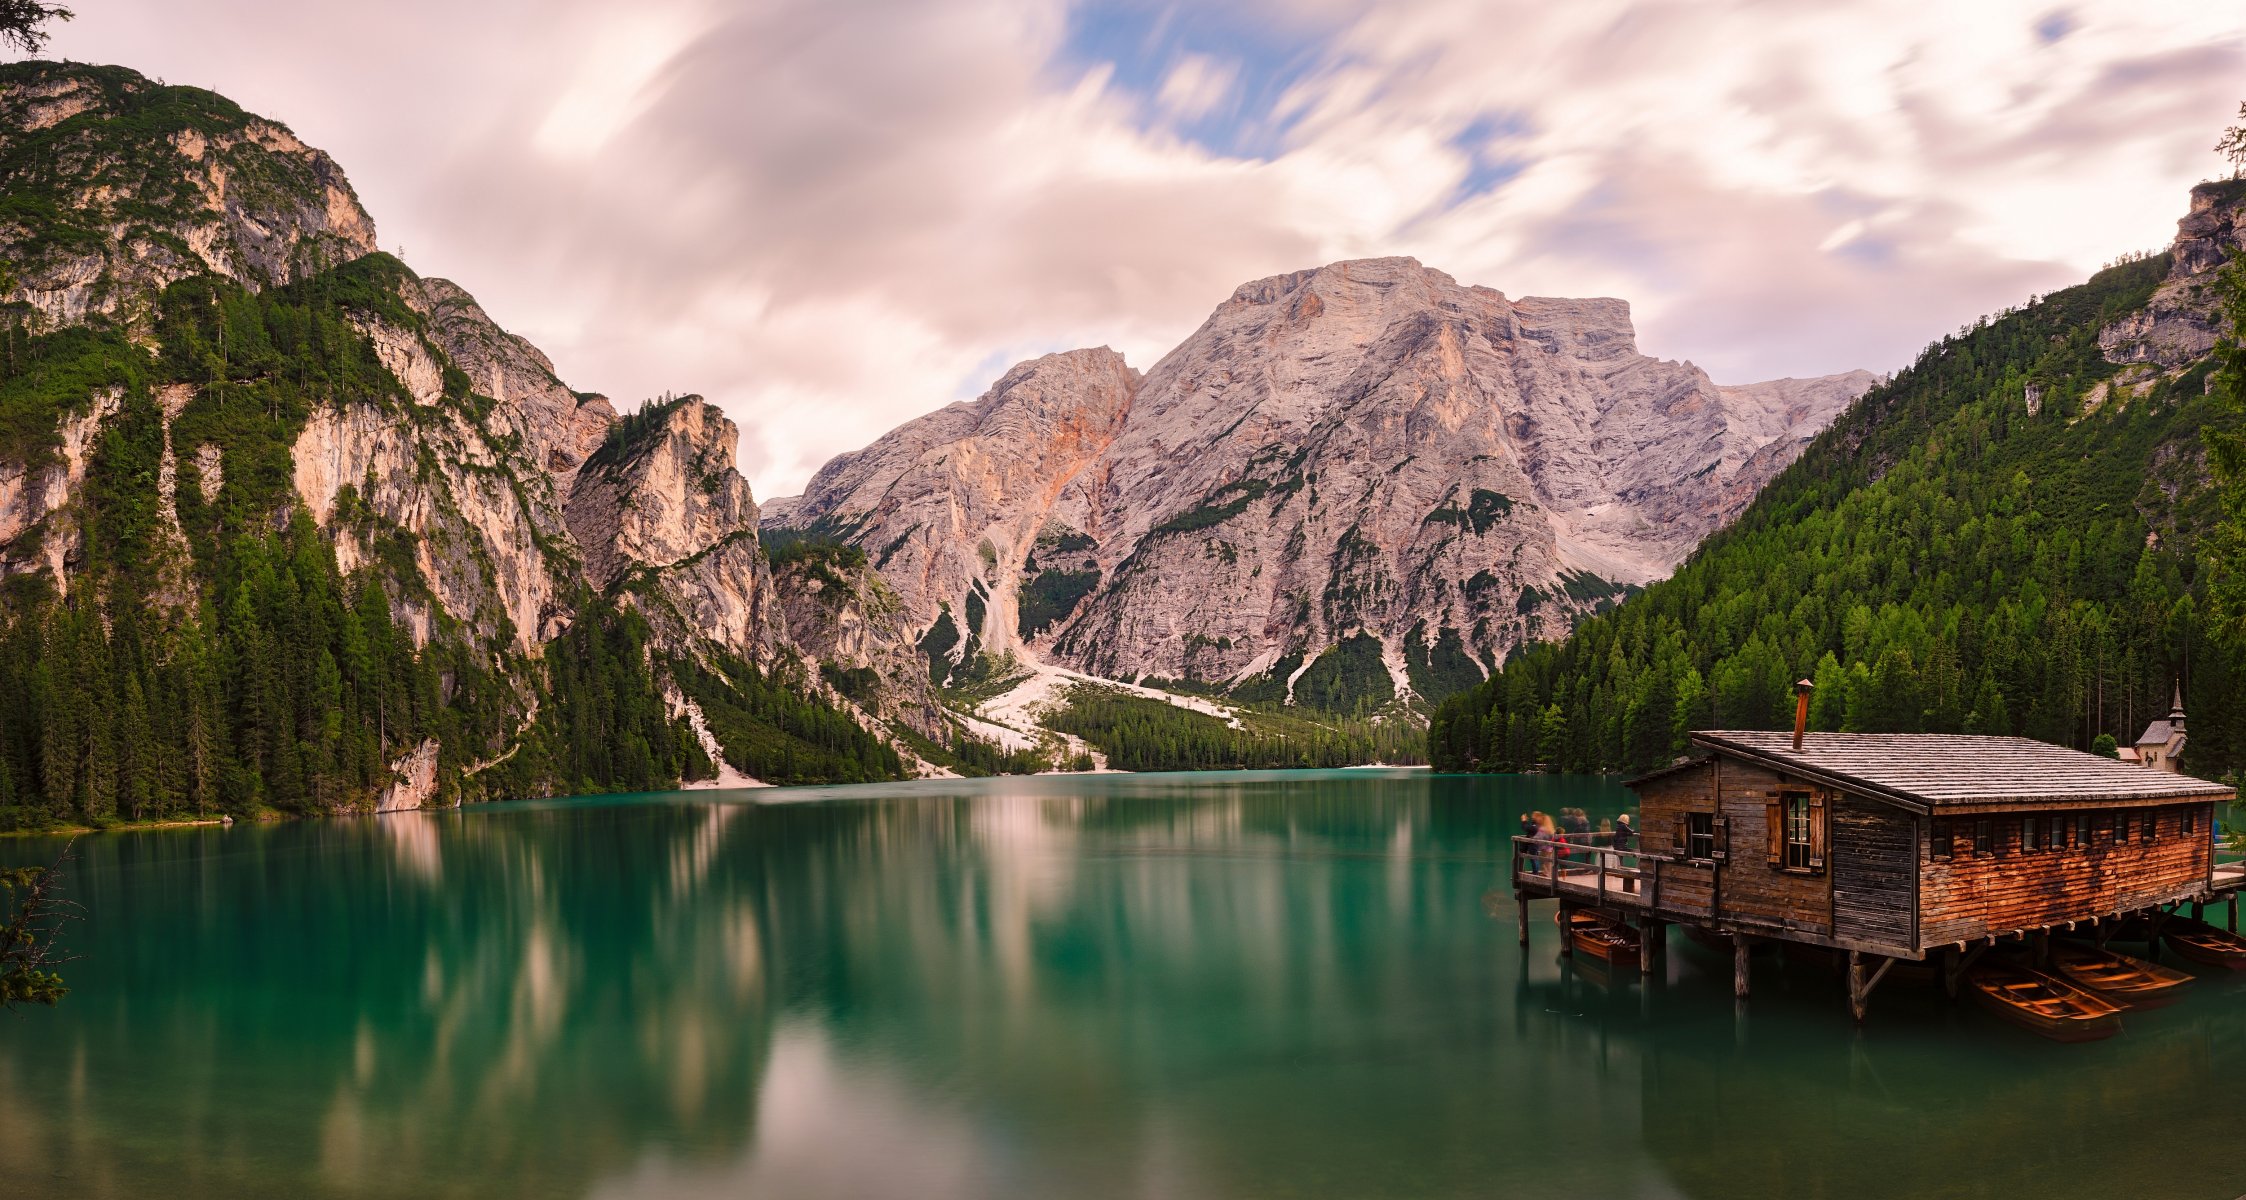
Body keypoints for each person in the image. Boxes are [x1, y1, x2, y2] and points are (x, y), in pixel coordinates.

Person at [1613, 813, 1638, 893]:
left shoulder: (1618, 826)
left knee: (1620, 859)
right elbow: (1631, 832)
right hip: (1622, 846)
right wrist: (1633, 830)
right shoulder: (1623, 826)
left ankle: (1620, 869)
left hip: (1617, 846)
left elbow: (1625, 833)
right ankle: (1624, 870)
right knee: (1634, 854)